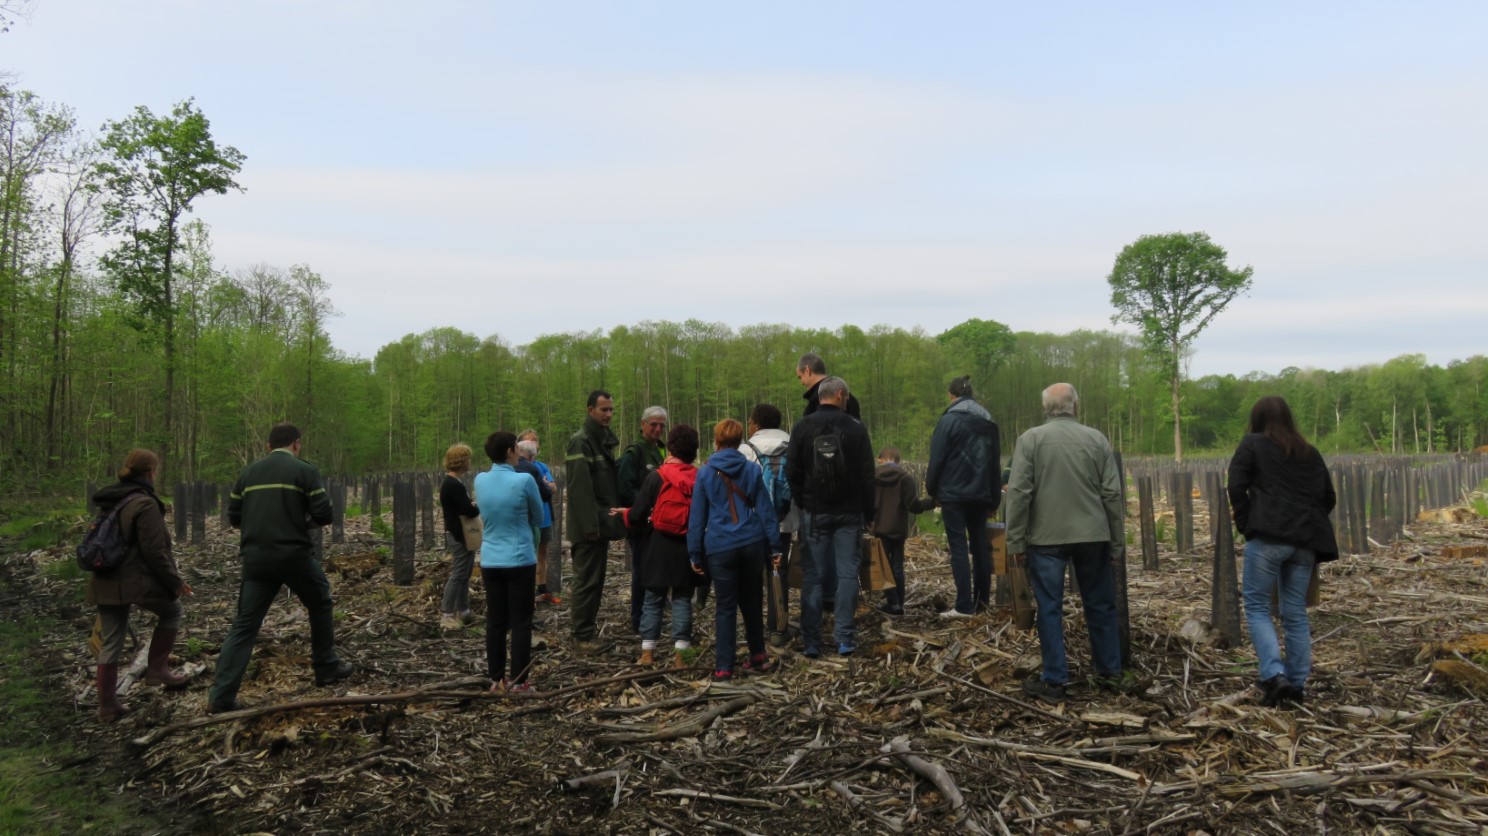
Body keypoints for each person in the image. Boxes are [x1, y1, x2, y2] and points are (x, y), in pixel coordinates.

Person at [210, 423, 352, 713]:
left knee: (245, 626)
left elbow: (234, 517)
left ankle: (221, 697)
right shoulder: (305, 471)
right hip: (293, 556)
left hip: (255, 559)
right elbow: (324, 514)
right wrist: (299, 520)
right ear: (297, 444)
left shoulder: (247, 474)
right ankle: (325, 666)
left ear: (268, 446)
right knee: (321, 601)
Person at [1005, 384, 1126, 704]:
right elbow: (1112, 494)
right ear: (1076, 405)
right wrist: (1116, 541)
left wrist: (1015, 541)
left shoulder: (1030, 439)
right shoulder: (1097, 439)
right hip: (1093, 535)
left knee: (1049, 607)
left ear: (1046, 408)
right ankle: (1109, 672)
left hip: (1046, 538)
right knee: (1100, 604)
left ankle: (1056, 680)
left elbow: (1018, 493)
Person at [1227, 396, 1338, 707]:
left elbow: (1235, 485)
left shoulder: (1252, 444)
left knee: (1258, 607)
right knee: (1294, 613)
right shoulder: (1310, 452)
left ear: (1257, 418)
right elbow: (1328, 497)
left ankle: (1275, 676)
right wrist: (1304, 523)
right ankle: (1298, 682)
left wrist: (1247, 523)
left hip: (1268, 538)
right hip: (1305, 543)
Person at [87, 448, 191, 722]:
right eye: (156, 469)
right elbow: (155, 551)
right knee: (173, 611)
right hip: (134, 580)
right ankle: (158, 670)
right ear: (151, 472)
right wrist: (174, 582)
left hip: (105, 577)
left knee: (111, 640)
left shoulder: (111, 499)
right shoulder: (144, 504)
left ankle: (107, 706)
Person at [786, 377, 875, 658]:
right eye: (846, 398)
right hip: (849, 513)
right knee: (848, 574)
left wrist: (804, 502)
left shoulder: (802, 427)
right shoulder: (856, 428)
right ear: (839, 395)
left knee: (813, 575)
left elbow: (792, 472)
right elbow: (867, 475)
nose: (847, 402)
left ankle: (811, 640)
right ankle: (844, 638)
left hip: (814, 512)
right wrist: (868, 511)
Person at [689, 419, 780, 681]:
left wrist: (694, 553)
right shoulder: (752, 469)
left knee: (725, 606)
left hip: (720, 547)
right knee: (752, 601)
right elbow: (765, 509)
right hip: (752, 543)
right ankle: (759, 656)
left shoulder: (705, 473)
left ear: (716, 441)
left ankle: (724, 667)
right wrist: (775, 545)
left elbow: (697, 518)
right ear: (740, 441)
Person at [613, 424, 701, 669]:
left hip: (658, 545)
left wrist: (626, 515)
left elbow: (639, 513)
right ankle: (681, 656)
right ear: (694, 450)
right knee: (683, 599)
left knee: (652, 599)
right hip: (688, 545)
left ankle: (648, 653)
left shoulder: (657, 476)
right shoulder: (699, 477)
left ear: (671, 447)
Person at [925, 375, 1002, 618]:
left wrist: (932, 490)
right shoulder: (989, 421)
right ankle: (982, 603)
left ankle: (963, 606)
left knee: (958, 547)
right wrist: (994, 499)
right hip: (980, 495)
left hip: (953, 495)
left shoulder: (948, 421)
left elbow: (936, 459)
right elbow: (994, 464)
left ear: (951, 396)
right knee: (980, 546)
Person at [474, 431, 544, 692]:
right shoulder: (524, 480)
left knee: (495, 620)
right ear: (508, 452)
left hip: (490, 560)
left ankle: (496, 678)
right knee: (521, 621)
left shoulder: (480, 480)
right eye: (516, 448)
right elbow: (537, 516)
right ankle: (519, 680)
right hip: (519, 559)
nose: (518, 452)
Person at [795, 354, 860, 608]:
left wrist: (802, 497)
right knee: (845, 563)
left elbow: (798, 462)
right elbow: (860, 457)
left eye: (800, 376)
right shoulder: (850, 402)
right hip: (848, 500)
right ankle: (842, 618)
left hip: (818, 500)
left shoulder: (814, 408)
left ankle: (822, 606)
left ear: (808, 370)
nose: (800, 382)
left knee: (816, 565)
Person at [565, 390, 626, 652]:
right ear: (590, 410)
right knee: (587, 582)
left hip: (599, 526)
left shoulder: (601, 440)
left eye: (611, 409)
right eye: (604, 410)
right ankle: (582, 637)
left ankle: (587, 633)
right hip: (588, 529)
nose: (609, 414)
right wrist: (590, 527)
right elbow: (580, 490)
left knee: (596, 581)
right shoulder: (581, 442)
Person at [740, 403, 795, 646]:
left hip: (753, 522)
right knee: (778, 571)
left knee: (752, 574)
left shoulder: (746, 448)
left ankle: (754, 629)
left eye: (750, 421)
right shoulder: (793, 444)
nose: (749, 426)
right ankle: (778, 627)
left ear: (757, 423)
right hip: (784, 521)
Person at [618, 406, 668, 633]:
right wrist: (646, 507)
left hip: (657, 522)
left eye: (662, 426)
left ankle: (652, 615)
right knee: (641, 571)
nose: (658, 429)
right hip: (640, 524)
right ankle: (638, 620)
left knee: (655, 569)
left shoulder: (658, 451)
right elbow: (625, 488)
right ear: (643, 424)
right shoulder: (633, 453)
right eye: (654, 424)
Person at [870, 447, 930, 616]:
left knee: (883, 566)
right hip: (898, 528)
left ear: (879, 459)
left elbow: (866, 503)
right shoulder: (906, 478)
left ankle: (893, 602)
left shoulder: (871, 478)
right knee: (897, 566)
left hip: (880, 528)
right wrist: (932, 503)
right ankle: (899, 603)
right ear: (898, 461)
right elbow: (913, 506)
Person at [438, 443, 480, 630]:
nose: (470, 462)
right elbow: (467, 510)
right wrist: (476, 506)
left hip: (458, 534)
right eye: (468, 458)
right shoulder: (453, 484)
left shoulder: (453, 483)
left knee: (465, 573)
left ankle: (463, 611)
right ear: (461, 461)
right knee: (458, 574)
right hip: (458, 534)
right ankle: (447, 614)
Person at [516, 432, 559, 604]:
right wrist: (541, 484)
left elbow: (553, 488)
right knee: (527, 553)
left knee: (542, 553)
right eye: (528, 440)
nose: (532, 443)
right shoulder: (516, 466)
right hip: (527, 519)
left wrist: (544, 483)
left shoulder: (542, 466)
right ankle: (528, 591)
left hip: (545, 517)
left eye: (535, 440)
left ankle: (542, 589)